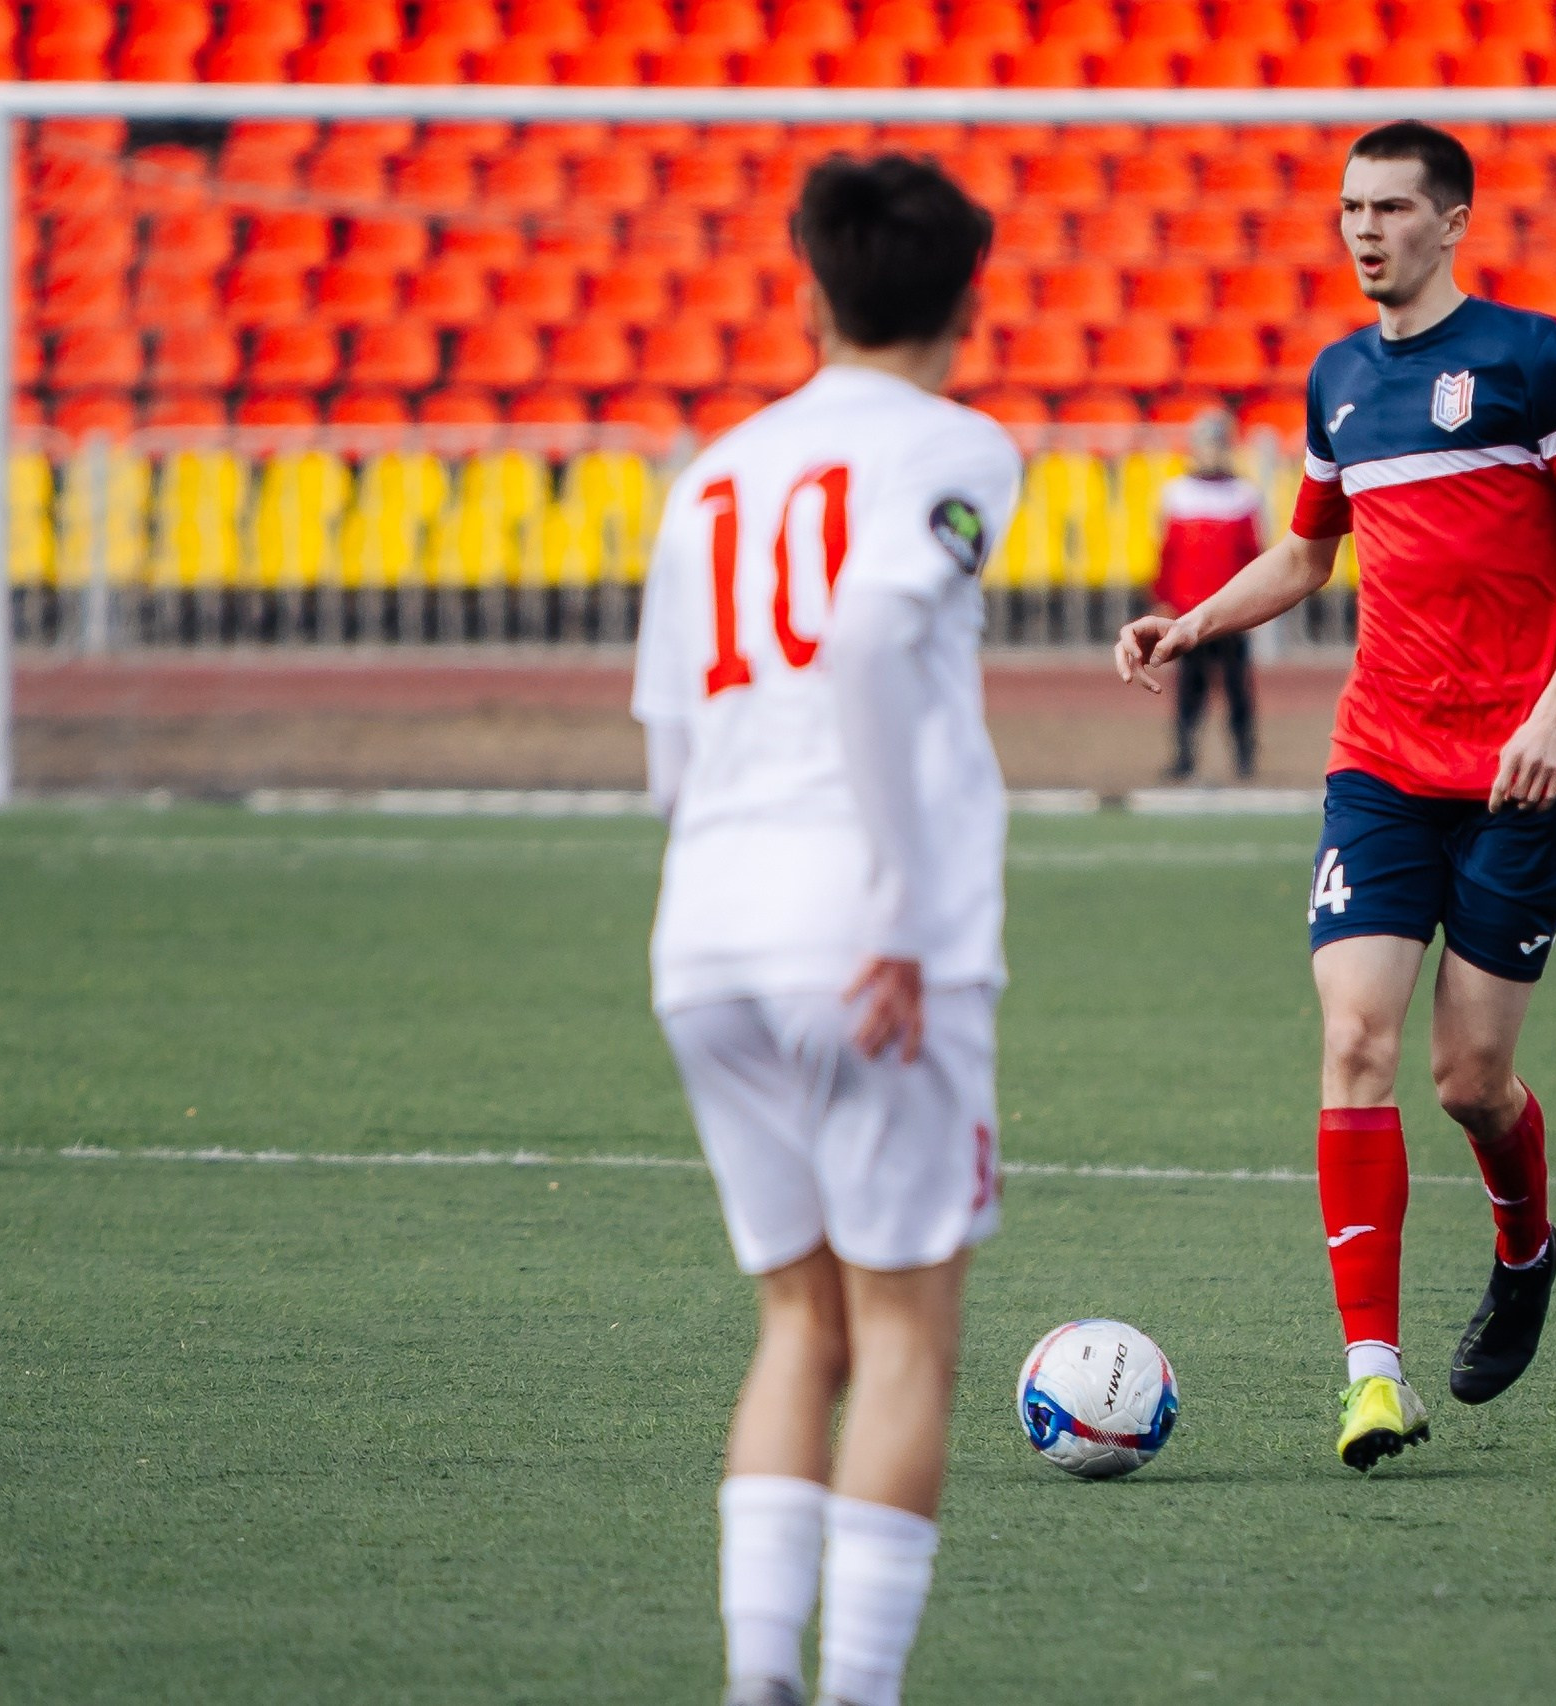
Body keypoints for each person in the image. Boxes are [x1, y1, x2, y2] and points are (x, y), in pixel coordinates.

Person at [1115, 120, 1556, 1472]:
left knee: (1470, 1079)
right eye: (1351, 207)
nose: (1365, 229)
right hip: (1379, 766)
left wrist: (1550, 714)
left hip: (1523, 768)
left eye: (1394, 207)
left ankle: (1524, 1246)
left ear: (1453, 220)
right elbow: (1306, 556)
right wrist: (1191, 623)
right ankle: (1373, 1377)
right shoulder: (1339, 381)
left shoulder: (1531, 361)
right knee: (1354, 1042)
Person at [632, 155, 1021, 1706]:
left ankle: (755, 1677)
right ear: (966, 302)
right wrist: (905, 914)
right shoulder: (960, 445)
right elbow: (867, 626)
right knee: (907, 1326)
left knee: (798, 1319)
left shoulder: (714, 470)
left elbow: (666, 734)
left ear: (810, 286)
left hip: (704, 930)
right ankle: (852, 1689)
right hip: (865, 938)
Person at [1151, 409, 1266, 780]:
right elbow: (1167, 554)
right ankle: (1184, 755)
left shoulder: (1244, 495)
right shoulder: (1176, 493)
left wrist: (1253, 605)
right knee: (1189, 687)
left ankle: (1245, 755)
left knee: (1237, 687)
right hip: (1187, 610)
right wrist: (1163, 596)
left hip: (1231, 611)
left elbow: (1253, 555)